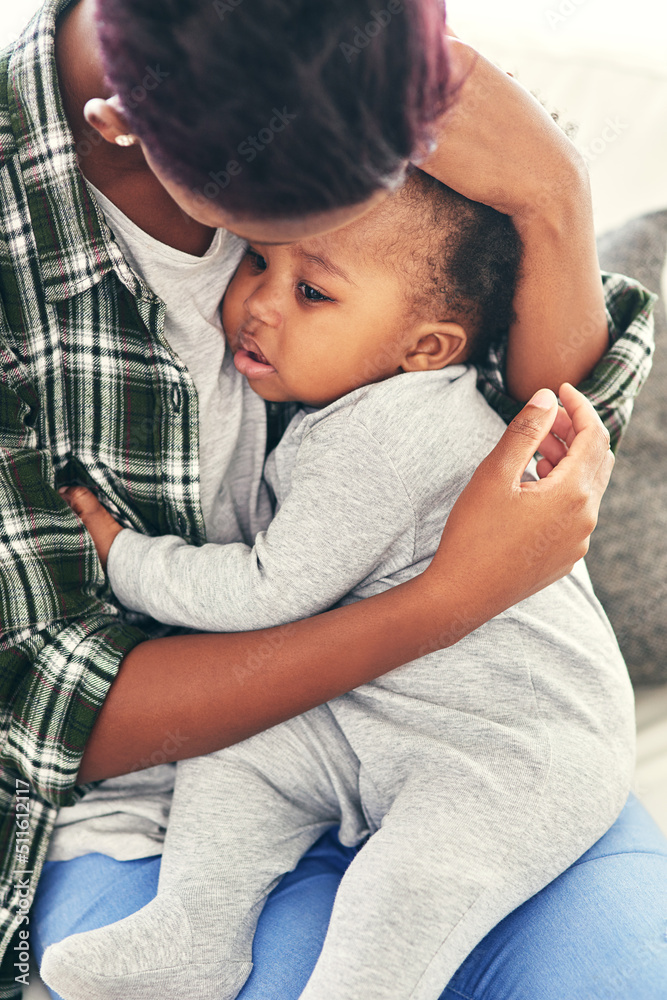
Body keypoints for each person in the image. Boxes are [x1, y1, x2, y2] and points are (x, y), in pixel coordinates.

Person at [0, 0, 663, 997]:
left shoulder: (370, 70)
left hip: (485, 740)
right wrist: (445, 601)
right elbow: (53, 703)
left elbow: (536, 429)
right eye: (266, 246)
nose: (259, 300)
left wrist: (549, 198)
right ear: (121, 125)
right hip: (150, 801)